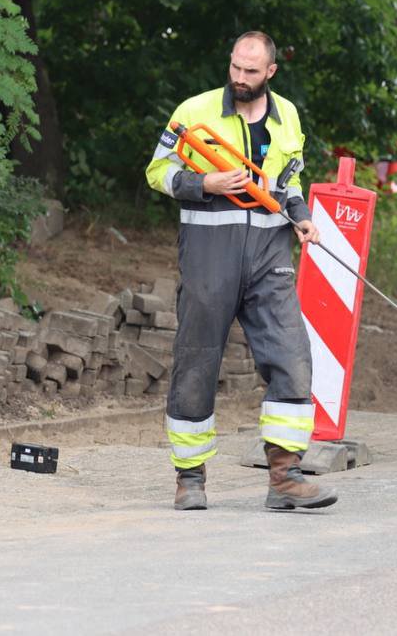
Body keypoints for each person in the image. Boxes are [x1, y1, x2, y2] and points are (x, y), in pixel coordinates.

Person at [145, 31, 338, 512]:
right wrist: (205, 182)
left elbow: (290, 179)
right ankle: (190, 478)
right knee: (197, 361)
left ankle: (286, 478)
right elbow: (157, 172)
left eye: (251, 71)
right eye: (235, 67)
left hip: (270, 254)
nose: (240, 77)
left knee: (292, 356)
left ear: (270, 71)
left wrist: (301, 216)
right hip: (209, 253)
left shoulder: (287, 114)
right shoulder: (194, 110)